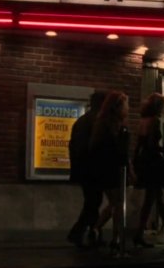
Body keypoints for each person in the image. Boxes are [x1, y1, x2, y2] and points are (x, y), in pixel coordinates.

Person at [85, 91, 132, 254]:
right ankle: (116, 238)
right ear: (116, 107)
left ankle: (98, 228)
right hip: (113, 170)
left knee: (114, 203)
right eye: (125, 105)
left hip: (106, 170)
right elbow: (120, 152)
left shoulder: (103, 125)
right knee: (118, 203)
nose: (127, 109)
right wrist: (129, 169)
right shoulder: (114, 127)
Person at [131, 93, 164, 248]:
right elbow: (152, 144)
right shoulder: (155, 121)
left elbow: (139, 145)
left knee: (154, 198)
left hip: (145, 163)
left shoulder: (143, 121)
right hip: (154, 164)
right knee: (154, 198)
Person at [66, 91, 106, 248]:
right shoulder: (94, 121)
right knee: (93, 202)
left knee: (93, 201)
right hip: (91, 169)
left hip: (84, 169)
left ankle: (92, 234)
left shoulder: (83, 120)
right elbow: (92, 147)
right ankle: (78, 232)